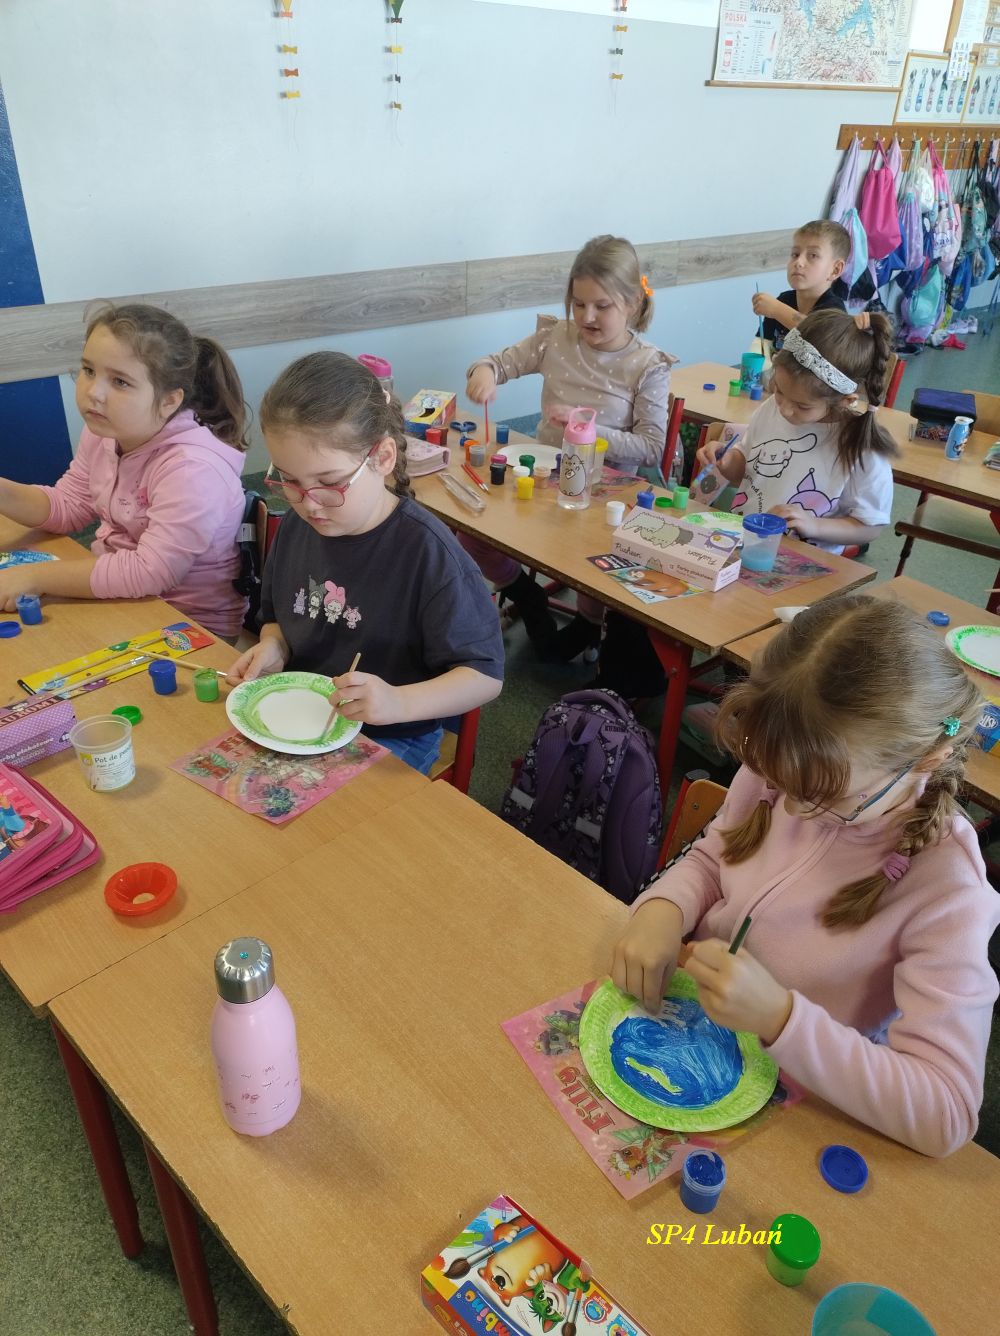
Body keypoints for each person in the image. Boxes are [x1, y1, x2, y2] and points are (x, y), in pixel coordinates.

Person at [611, 596, 1000, 1158]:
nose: (789, 807)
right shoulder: (783, 767)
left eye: (823, 796)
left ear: (927, 757)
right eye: (776, 780)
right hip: (694, 1027)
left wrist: (782, 1019)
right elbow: (713, 860)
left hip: (805, 1104)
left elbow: (947, 1111)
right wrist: (663, 909)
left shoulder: (948, 890)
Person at [226, 352, 504, 774]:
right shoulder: (300, 523)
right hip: (305, 712)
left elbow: (484, 675)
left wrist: (398, 702)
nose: (308, 502)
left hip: (392, 733)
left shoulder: (428, 554)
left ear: (383, 458)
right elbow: (277, 618)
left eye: (330, 483)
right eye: (289, 480)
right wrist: (274, 646)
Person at [464, 234, 677, 661]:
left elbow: (653, 447)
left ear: (633, 302)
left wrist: (587, 429)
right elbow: (497, 362)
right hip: (542, 478)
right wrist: (484, 372)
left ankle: (589, 622)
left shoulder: (647, 365)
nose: (587, 316)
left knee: (592, 561)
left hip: (603, 493)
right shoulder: (555, 338)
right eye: (578, 304)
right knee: (471, 529)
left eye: (602, 306)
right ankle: (522, 590)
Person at [0, 303, 248, 638]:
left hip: (190, 625)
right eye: (88, 370)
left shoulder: (192, 468)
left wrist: (35, 576)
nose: (94, 393)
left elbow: (151, 571)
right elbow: (68, 506)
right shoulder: (105, 431)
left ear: (169, 401)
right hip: (122, 598)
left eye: (120, 381)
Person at [694, 307, 896, 553]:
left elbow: (870, 527)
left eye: (802, 406)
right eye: (779, 390)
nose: (785, 409)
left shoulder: (863, 447)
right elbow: (747, 472)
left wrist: (814, 526)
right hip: (746, 546)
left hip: (807, 563)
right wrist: (727, 461)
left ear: (845, 400)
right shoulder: (771, 409)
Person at [752, 220, 850, 350]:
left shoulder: (835, 311)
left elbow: (818, 336)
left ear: (835, 270)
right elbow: (760, 347)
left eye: (813, 255)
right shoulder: (783, 300)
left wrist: (776, 310)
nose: (798, 262)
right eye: (795, 254)